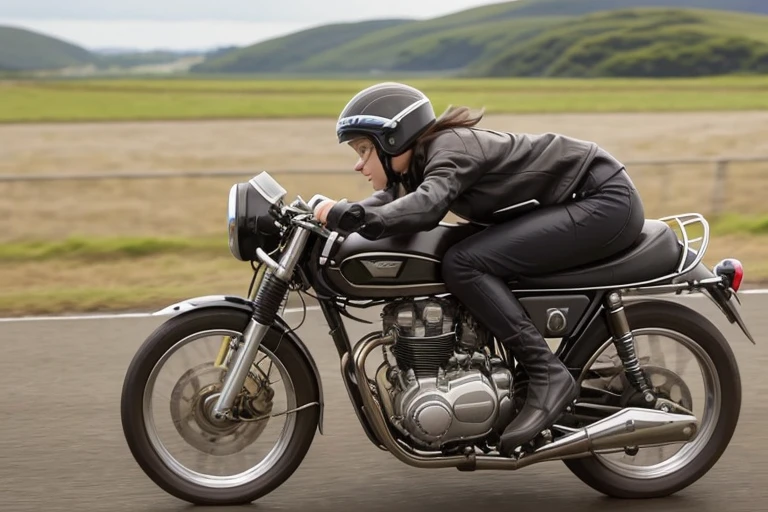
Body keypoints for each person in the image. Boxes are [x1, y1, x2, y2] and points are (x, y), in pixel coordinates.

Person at [313, 82, 645, 456]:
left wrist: (351, 216)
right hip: (577, 202)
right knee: (455, 255)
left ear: (394, 140)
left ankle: (548, 373)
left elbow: (425, 207)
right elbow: (390, 201)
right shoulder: (422, 162)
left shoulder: (450, 148)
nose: (358, 163)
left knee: (464, 262)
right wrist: (344, 212)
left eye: (363, 150)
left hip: (600, 200)